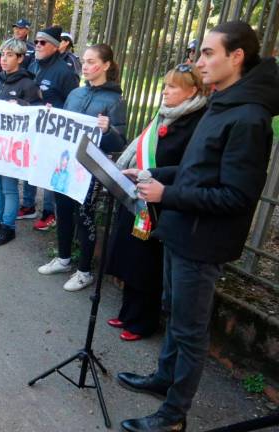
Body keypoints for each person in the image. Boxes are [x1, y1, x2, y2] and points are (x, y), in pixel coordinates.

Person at [118, 22, 279, 432]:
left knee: (190, 331)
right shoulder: (222, 102)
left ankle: (174, 417)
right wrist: (152, 171)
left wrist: (165, 195)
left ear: (237, 56)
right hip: (179, 230)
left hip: (201, 242)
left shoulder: (248, 117)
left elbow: (236, 197)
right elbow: (195, 170)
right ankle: (163, 380)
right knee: (174, 313)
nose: (198, 61)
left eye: (208, 53)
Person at [106, 65, 207, 343]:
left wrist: (153, 176)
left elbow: (187, 166)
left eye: (173, 87)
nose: (165, 91)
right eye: (165, 85)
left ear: (193, 91)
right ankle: (128, 312)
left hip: (162, 199)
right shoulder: (164, 115)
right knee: (130, 253)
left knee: (146, 261)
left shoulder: (197, 122)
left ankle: (143, 322)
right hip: (140, 191)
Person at [37, 43, 127, 292]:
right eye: (84, 61)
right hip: (66, 164)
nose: (85, 66)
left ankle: (84, 271)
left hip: (90, 170)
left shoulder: (115, 100)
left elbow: (120, 142)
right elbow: (63, 126)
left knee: (84, 216)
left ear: (106, 65)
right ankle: (64, 259)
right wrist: (51, 116)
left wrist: (108, 129)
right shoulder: (76, 94)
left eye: (91, 61)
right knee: (63, 211)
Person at [0, 38, 42, 245]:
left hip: (13, 148)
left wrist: (20, 104)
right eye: (3, 54)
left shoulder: (28, 84)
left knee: (9, 188)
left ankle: (8, 226)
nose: (4, 59)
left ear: (20, 58)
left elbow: (37, 112)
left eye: (10, 55)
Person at [24, 25, 79, 230]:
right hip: (32, 129)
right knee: (29, 166)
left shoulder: (65, 73)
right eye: (36, 41)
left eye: (42, 42)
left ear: (55, 47)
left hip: (53, 133)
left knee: (48, 170)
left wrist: (55, 112)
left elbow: (73, 105)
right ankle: (28, 205)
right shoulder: (33, 65)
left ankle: (49, 212)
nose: (37, 45)